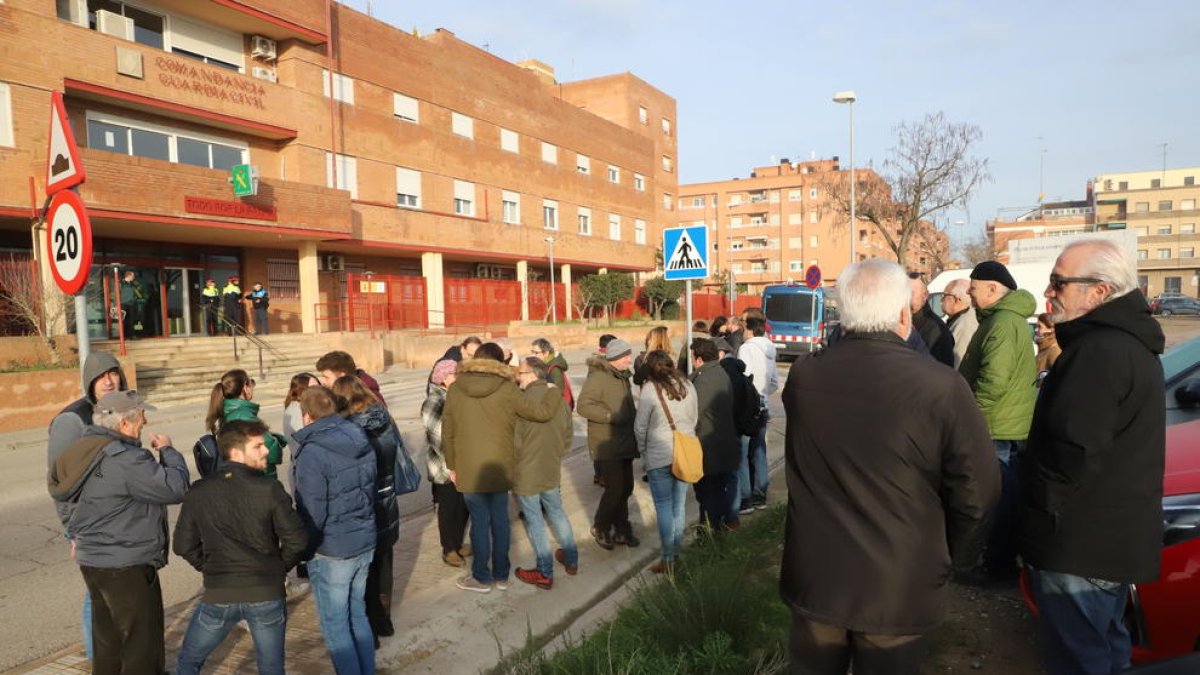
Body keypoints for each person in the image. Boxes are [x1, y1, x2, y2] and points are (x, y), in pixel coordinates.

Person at [781, 259, 1000, 675]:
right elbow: (978, 492)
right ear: (904, 315)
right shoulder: (941, 385)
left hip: (817, 574)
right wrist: (956, 557)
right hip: (898, 582)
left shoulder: (805, 375)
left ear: (843, 314)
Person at [1020, 239, 1165, 675]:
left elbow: (1071, 451)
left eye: (1059, 283)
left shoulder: (1101, 351)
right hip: (1103, 543)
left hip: (1078, 546)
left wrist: (1035, 517)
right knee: (1105, 651)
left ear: (1100, 291)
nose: (1049, 293)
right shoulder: (1123, 344)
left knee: (1079, 660)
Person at [48, 390, 189, 675]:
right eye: (141, 416)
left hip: (94, 560)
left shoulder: (85, 450)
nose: (145, 422)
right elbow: (176, 488)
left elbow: (77, 501)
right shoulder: (127, 459)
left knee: (107, 643)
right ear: (125, 424)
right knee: (142, 647)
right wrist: (168, 452)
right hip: (126, 564)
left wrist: (75, 534)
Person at [173, 419, 308, 675]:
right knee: (270, 667)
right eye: (258, 446)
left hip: (220, 594)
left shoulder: (199, 491)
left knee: (189, 661)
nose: (267, 450)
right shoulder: (268, 488)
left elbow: (183, 545)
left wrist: (212, 568)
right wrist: (276, 569)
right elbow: (298, 540)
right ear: (236, 451)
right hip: (265, 593)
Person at [442, 343, 560, 593]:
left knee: (479, 522)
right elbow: (540, 413)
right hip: (502, 466)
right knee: (500, 521)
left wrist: (452, 465)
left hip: (469, 467)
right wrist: (551, 391)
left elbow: (448, 432)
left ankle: (481, 577)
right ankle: (502, 575)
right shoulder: (508, 388)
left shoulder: (455, 389)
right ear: (500, 363)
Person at [959, 260, 1038, 582]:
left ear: (993, 289)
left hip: (996, 426)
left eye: (974, 287)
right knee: (1004, 496)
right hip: (1002, 424)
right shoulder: (1003, 320)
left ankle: (999, 567)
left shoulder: (1003, 323)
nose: (969, 293)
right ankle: (999, 561)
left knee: (999, 500)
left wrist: (970, 415)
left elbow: (994, 380)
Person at [46, 352, 127, 663]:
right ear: (89, 382)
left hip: (119, 519)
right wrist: (73, 530)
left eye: (112, 373)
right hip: (89, 523)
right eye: (99, 376)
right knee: (98, 595)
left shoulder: (120, 409)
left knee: (116, 594)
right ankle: (101, 661)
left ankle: (114, 656)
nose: (107, 380)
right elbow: (58, 481)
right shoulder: (73, 419)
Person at [292, 386, 377, 675]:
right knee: (358, 613)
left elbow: (311, 511)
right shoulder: (359, 436)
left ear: (306, 417)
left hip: (332, 549)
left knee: (335, 625)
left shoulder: (312, 452)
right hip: (364, 539)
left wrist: (305, 549)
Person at [332, 375, 402, 641]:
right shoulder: (383, 419)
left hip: (365, 504)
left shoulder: (350, 431)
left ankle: (369, 627)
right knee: (385, 562)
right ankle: (384, 621)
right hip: (388, 498)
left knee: (364, 571)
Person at [512, 357, 578, 590]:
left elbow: (515, 442)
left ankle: (544, 571)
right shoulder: (558, 399)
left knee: (535, 522)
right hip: (550, 465)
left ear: (532, 374)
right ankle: (571, 559)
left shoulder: (522, 401)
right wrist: (555, 454)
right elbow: (567, 433)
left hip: (527, 470)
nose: (517, 377)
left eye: (520, 372)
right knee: (557, 512)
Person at [634, 350, 698, 574]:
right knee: (678, 506)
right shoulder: (688, 385)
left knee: (663, 507)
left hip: (659, 455)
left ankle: (668, 557)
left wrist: (644, 453)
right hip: (685, 452)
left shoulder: (650, 390)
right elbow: (694, 417)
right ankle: (675, 553)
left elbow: (640, 427)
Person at [577, 338, 640, 550]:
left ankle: (622, 530)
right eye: (625, 357)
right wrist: (610, 416)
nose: (629, 360)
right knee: (615, 488)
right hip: (606, 442)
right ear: (613, 358)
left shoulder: (622, 376)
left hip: (624, 440)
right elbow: (583, 406)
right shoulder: (599, 377)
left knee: (626, 487)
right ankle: (601, 527)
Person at [422, 359, 471, 567]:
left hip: (461, 463)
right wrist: (454, 461)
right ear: (443, 378)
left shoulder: (456, 397)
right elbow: (437, 436)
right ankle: (449, 548)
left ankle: (458, 543)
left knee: (463, 506)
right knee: (449, 507)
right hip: (444, 466)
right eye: (455, 374)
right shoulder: (434, 401)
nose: (459, 378)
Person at [690, 337, 741, 530]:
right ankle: (717, 528)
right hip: (724, 442)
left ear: (699, 358)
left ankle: (710, 533)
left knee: (707, 494)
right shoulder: (722, 372)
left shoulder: (702, 379)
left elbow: (696, 413)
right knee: (719, 490)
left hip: (708, 445)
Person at [206, 369, 284, 478]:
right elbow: (272, 452)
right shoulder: (243, 415)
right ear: (245, 388)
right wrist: (276, 442)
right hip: (258, 478)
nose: (252, 389)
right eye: (251, 384)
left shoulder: (230, 411)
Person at [737, 316, 779, 511]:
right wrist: (762, 395)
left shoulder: (746, 348)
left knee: (742, 454)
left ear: (751, 330)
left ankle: (745, 499)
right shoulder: (770, 349)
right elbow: (774, 383)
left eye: (744, 328)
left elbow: (742, 377)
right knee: (759, 451)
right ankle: (760, 495)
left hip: (747, 406)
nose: (743, 331)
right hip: (763, 405)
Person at [909, 272, 955, 367]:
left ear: (925, 295)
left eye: (910, 293)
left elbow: (942, 370)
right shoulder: (898, 323)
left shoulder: (937, 330)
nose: (905, 298)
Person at [317, 350, 387, 411]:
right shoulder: (337, 395)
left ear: (342, 376)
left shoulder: (367, 398)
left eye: (326, 377)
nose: (323, 382)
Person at [942, 278, 978, 368]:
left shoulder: (964, 326)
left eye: (945, 296)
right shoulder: (962, 319)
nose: (941, 300)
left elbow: (958, 363)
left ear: (956, 299)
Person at [531, 337, 573, 409]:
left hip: (557, 409)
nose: (533, 355)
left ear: (546, 353)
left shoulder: (554, 369)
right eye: (532, 352)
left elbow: (558, 393)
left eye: (536, 353)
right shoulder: (544, 365)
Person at [282, 372, 321, 449]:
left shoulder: (309, 406)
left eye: (319, 386)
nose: (319, 390)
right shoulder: (295, 410)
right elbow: (304, 438)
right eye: (314, 388)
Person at [1033, 313, 1062, 384]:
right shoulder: (1044, 348)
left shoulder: (1054, 350)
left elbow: (1059, 377)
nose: (1036, 329)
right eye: (1036, 326)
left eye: (1040, 327)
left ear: (1051, 330)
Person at [119, 269, 145, 338]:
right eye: (133, 276)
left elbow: (138, 292)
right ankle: (124, 336)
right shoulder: (121, 283)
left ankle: (132, 335)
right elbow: (117, 292)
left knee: (132, 320)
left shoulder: (133, 284)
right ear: (129, 276)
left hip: (132, 304)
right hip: (123, 303)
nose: (134, 277)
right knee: (123, 320)